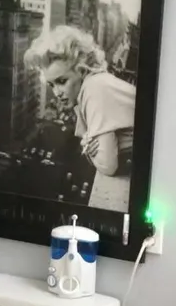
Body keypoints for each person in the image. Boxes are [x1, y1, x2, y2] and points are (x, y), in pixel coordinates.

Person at [24, 26, 136, 210]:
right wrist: (89, 144)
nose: (57, 93)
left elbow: (107, 166)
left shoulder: (95, 90)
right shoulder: (94, 86)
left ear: (82, 71)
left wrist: (89, 147)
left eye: (62, 81)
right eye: (52, 85)